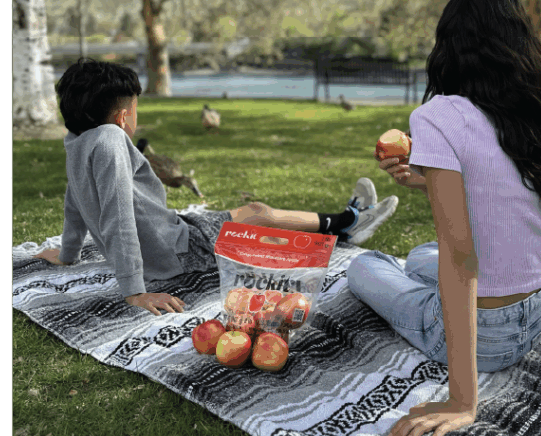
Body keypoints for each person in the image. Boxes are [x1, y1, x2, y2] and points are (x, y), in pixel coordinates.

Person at [346, 0, 541, 436]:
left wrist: (462, 400)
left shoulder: (437, 116)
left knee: (365, 266)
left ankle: (450, 338)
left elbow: (460, 260)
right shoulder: (531, 109)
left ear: (449, 45)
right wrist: (426, 180)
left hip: (492, 338)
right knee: (421, 256)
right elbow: (503, 195)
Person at [34, 59, 398, 316]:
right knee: (256, 213)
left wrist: (68, 254)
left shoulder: (76, 142)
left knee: (248, 220)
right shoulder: (112, 139)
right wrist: (135, 293)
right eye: (136, 109)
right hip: (179, 251)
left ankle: (342, 226)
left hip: (171, 237)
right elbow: (118, 216)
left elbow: (74, 201)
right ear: (122, 116)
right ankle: (347, 222)